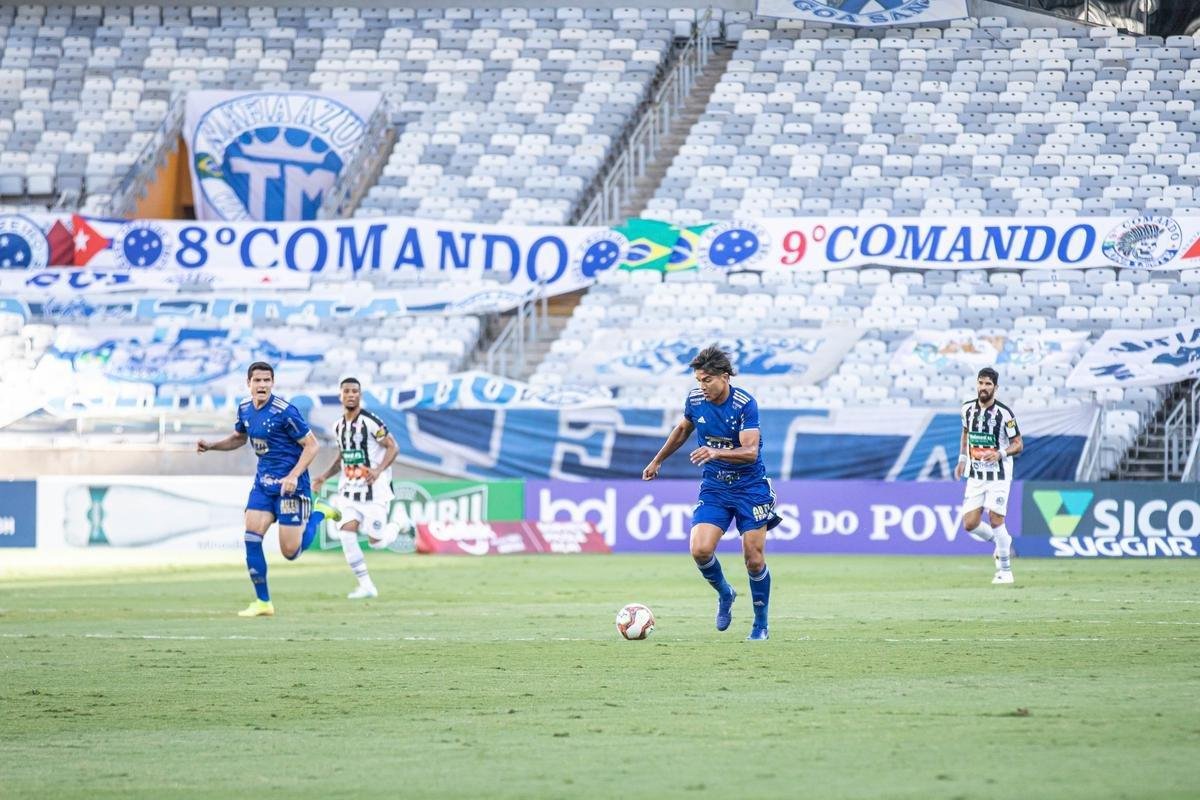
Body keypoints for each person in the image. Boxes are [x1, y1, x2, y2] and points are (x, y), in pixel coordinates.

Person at [642, 345, 780, 640]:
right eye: (698, 381)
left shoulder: (744, 404)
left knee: (753, 559)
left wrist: (715, 452)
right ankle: (725, 592)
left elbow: (751, 452)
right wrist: (657, 460)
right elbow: (682, 430)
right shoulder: (694, 399)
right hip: (716, 486)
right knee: (700, 550)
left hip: (750, 488)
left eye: (707, 380)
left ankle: (760, 624)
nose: (702, 387)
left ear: (725, 377)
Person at [197, 361, 334, 617]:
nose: (262, 385)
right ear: (248, 384)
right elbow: (239, 438)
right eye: (257, 381)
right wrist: (212, 446)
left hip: (291, 487)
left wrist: (293, 475)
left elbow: (312, 445)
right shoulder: (245, 409)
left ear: (272, 383)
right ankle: (263, 602)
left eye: (266, 380)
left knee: (290, 553)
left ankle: (318, 514)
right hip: (263, 485)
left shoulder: (285, 411)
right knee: (251, 536)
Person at [311, 377, 401, 599]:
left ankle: (397, 524)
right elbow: (343, 455)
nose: (351, 395)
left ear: (360, 396)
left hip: (374, 491)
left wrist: (378, 470)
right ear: (340, 396)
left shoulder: (371, 422)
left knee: (377, 542)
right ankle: (366, 585)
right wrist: (323, 475)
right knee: (346, 534)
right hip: (349, 491)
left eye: (355, 392)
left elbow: (393, 447)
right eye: (347, 391)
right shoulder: (338, 426)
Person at [955, 366, 1023, 585]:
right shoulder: (967, 409)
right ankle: (1001, 541)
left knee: (995, 519)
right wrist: (962, 460)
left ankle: (1005, 570)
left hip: (999, 476)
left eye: (988, 384)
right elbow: (965, 433)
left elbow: (1019, 444)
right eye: (980, 383)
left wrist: (1000, 453)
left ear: (995, 387)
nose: (983, 388)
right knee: (969, 524)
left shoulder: (1005, 414)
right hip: (976, 475)